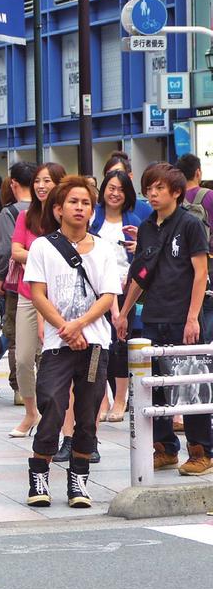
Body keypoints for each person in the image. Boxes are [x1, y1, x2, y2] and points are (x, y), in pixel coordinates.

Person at [24, 176, 121, 508]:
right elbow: (37, 293)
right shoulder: (42, 246)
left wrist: (79, 324)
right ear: (57, 208)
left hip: (94, 344)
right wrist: (65, 327)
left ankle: (78, 480)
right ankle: (39, 472)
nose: (80, 208)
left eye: (86, 203)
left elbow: (108, 296)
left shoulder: (104, 248)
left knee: (88, 409)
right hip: (57, 341)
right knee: (51, 402)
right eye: (73, 202)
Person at [116, 163, 213, 477]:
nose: (152, 194)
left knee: (190, 385)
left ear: (176, 191)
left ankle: (201, 451)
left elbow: (201, 274)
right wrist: (123, 312)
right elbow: (141, 274)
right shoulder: (146, 227)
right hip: (153, 316)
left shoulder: (190, 224)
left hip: (184, 317)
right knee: (153, 386)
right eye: (149, 188)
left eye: (159, 188)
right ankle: (164, 448)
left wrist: (193, 317)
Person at [8, 162, 64, 437]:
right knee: (23, 358)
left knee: (53, 359)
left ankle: (56, 416)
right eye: (38, 181)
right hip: (28, 295)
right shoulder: (25, 217)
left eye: (47, 181)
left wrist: (36, 256)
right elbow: (15, 251)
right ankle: (31, 412)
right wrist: (43, 257)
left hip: (60, 297)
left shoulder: (63, 217)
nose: (41, 186)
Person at [86, 169, 141, 431]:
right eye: (111, 188)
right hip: (97, 290)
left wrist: (137, 247)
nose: (115, 193)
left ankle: (120, 400)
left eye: (120, 189)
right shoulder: (93, 219)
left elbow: (147, 257)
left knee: (121, 344)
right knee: (101, 344)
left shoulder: (135, 219)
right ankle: (104, 399)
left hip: (127, 289)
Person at [0, 162, 35, 400]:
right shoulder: (46, 210)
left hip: (18, 283)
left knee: (16, 335)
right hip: (46, 282)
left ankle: (20, 388)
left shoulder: (8, 213)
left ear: (13, 183)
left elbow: (7, 249)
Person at [176, 153, 213, 342]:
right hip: (208, 266)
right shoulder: (210, 196)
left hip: (180, 268)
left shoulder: (174, 200)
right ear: (198, 172)